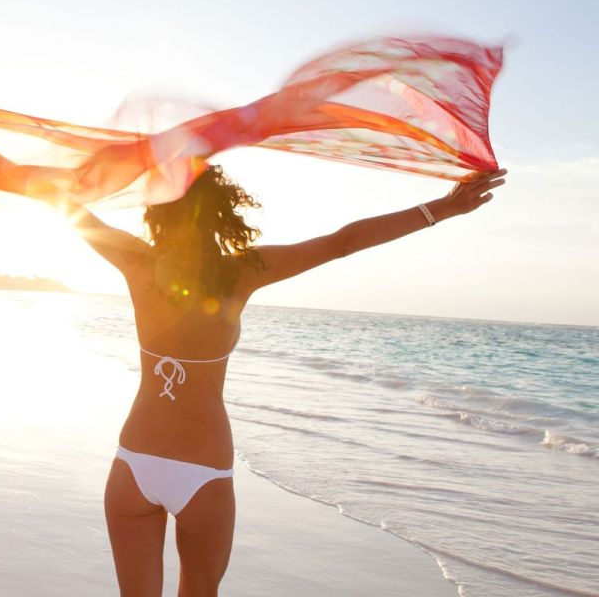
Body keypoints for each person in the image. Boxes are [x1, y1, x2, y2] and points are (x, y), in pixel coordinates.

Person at [62, 163, 507, 596]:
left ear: (156, 212)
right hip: (202, 471)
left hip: (133, 462)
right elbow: (342, 242)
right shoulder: (244, 271)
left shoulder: (136, 261)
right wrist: (442, 209)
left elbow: (63, 204)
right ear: (221, 212)